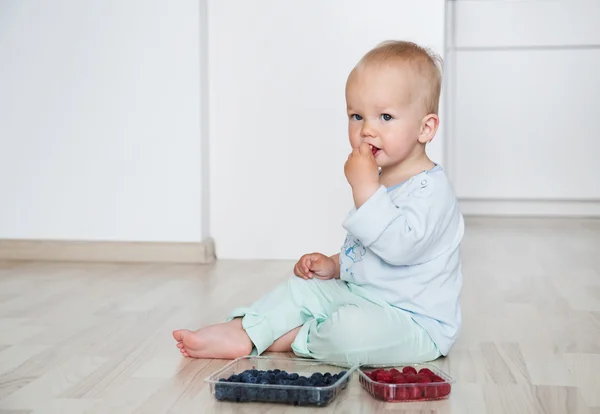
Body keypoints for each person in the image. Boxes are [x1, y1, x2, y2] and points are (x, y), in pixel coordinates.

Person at [173, 40, 464, 366]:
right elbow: (370, 252)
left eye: (385, 116)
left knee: (351, 334)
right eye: (356, 116)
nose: (367, 129)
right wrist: (336, 264)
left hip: (413, 322)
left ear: (426, 128)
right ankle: (246, 330)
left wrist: (366, 188)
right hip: (363, 296)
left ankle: (291, 336)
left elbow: (399, 249)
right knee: (303, 288)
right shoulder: (381, 180)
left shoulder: (432, 192)